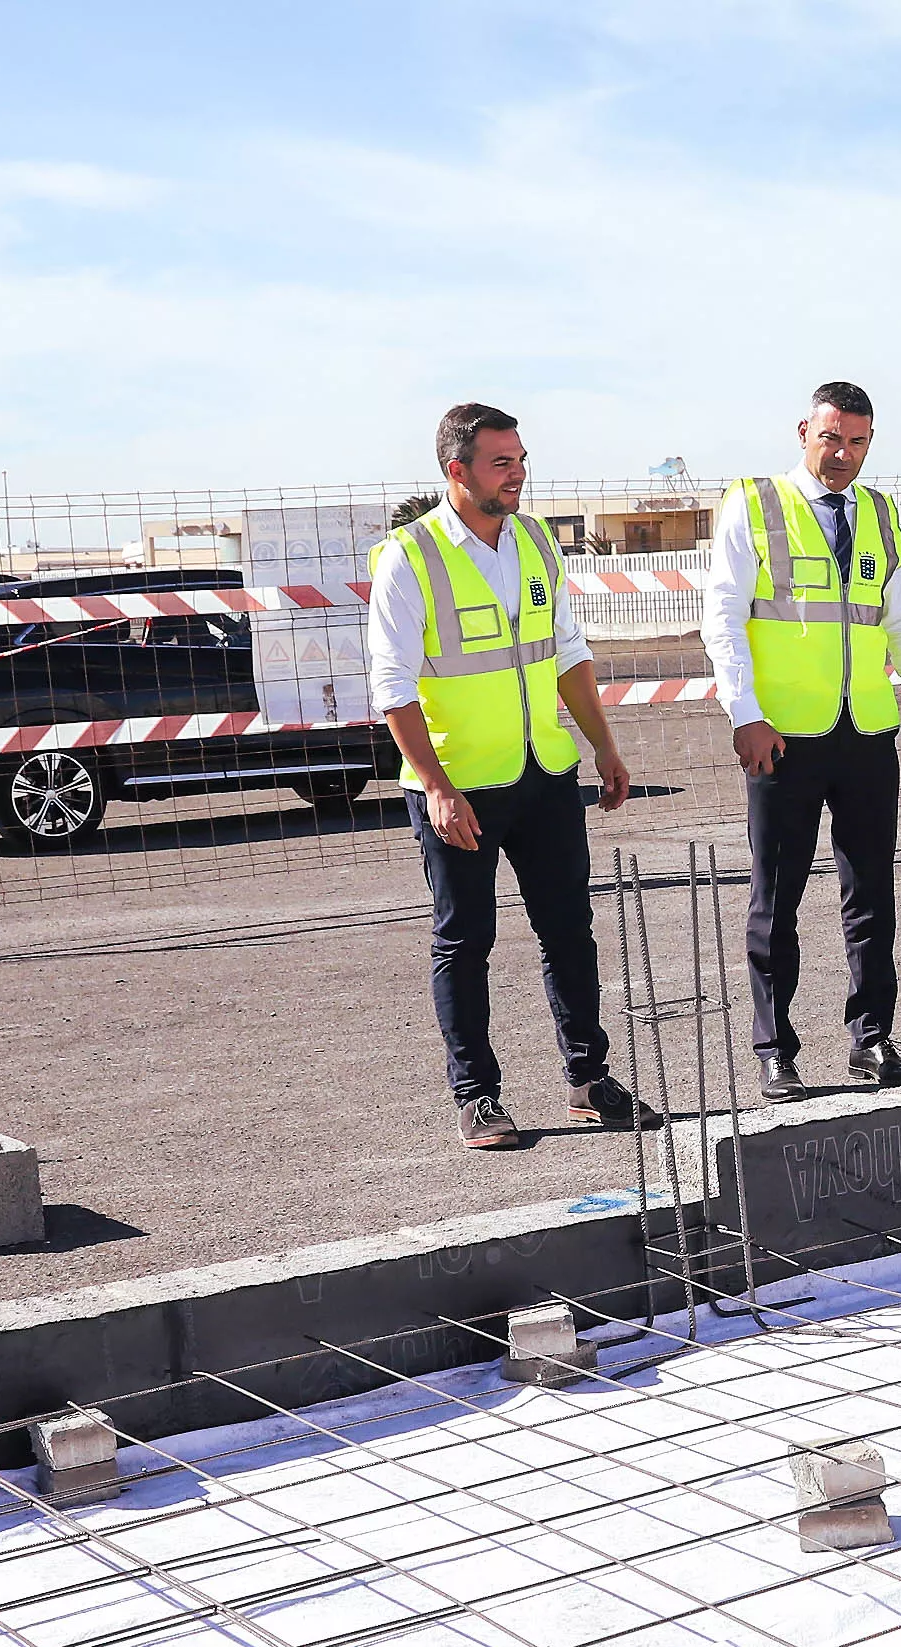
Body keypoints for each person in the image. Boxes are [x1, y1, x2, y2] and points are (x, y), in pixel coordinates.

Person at [368, 402, 645, 1149]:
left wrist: (604, 748)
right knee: (466, 942)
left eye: (521, 459)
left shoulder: (533, 542)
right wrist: (434, 785)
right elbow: (391, 687)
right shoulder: (410, 558)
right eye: (502, 462)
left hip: (545, 775)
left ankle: (589, 1081)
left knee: (569, 932)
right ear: (457, 471)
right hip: (460, 786)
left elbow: (568, 654)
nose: (518, 473)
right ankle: (478, 1097)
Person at [703, 380, 901, 1096]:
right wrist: (743, 713)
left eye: (858, 442)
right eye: (831, 438)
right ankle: (774, 1050)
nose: (843, 454)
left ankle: (872, 1039)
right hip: (782, 736)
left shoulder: (877, 511)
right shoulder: (754, 505)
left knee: (872, 896)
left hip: (865, 732)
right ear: (803, 433)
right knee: (775, 898)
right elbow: (721, 617)